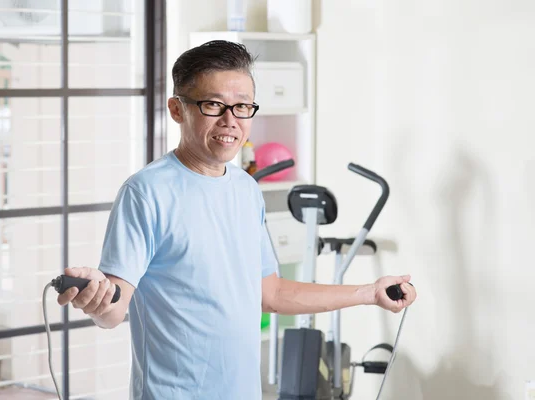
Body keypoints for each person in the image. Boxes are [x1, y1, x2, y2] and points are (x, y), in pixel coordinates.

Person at [57, 40, 417, 400]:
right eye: (214, 105)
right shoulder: (145, 192)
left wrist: (369, 293)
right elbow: (113, 308)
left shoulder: (246, 189)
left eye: (242, 106)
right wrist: (98, 300)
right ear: (177, 109)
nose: (231, 121)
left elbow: (272, 293)